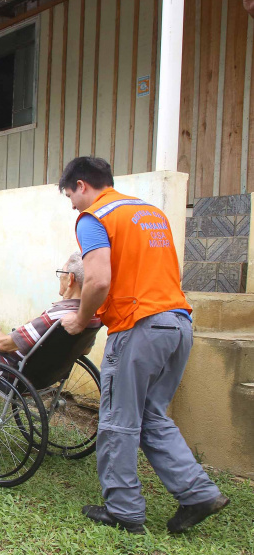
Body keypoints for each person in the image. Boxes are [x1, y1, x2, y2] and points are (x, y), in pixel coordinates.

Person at [58, 156, 229, 534]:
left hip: (139, 327)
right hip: (177, 323)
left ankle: (123, 510)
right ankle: (198, 493)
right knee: (151, 415)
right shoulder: (150, 213)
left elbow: (98, 279)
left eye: (70, 194)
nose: (71, 203)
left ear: (82, 185)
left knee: (119, 420)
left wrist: (81, 318)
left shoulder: (96, 218)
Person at [0, 252, 101, 436]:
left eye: (60, 272)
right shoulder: (90, 317)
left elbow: (4, 345)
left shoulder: (56, 317)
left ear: (70, 278)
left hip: (9, 371)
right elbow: (85, 350)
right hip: (46, 377)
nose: (60, 277)